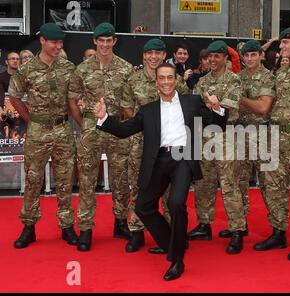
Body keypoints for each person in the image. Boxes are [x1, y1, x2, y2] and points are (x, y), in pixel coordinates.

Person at [93, 63, 225, 281]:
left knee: (175, 203)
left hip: (183, 159)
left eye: (170, 77)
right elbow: (125, 130)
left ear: (176, 80)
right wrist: (104, 118)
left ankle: (177, 260)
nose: (166, 82)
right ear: (156, 82)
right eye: (161, 78)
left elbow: (217, 124)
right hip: (158, 160)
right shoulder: (148, 110)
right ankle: (172, 242)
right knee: (143, 207)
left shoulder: (192, 102)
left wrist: (217, 108)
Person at [9, 23, 78, 249]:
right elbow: (15, 97)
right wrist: (31, 120)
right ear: (42, 41)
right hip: (37, 131)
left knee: (65, 179)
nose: (58, 46)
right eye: (54, 42)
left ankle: (67, 227)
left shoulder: (68, 68)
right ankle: (28, 228)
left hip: (62, 130)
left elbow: (73, 99)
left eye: (61, 43)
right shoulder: (26, 70)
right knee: (32, 180)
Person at [68, 22, 134, 252]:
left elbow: (129, 103)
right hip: (91, 127)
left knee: (120, 178)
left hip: (117, 126)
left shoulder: (126, 69)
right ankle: (85, 229)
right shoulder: (82, 69)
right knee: (86, 179)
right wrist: (85, 123)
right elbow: (73, 100)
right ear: (94, 41)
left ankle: (120, 222)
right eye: (101, 41)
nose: (105, 45)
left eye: (109, 40)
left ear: (115, 41)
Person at [122, 38, 190, 253]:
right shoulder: (132, 81)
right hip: (141, 144)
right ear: (143, 56)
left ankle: (172, 237)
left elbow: (185, 109)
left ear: (163, 56)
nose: (153, 56)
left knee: (171, 194)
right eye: (149, 53)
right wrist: (149, 128)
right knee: (139, 187)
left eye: (157, 53)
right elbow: (127, 110)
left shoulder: (175, 80)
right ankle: (137, 232)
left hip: (170, 148)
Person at [188, 40, 246, 254]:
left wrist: (214, 107)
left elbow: (227, 110)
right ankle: (204, 224)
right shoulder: (202, 82)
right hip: (205, 138)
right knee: (204, 183)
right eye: (209, 56)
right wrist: (212, 108)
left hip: (226, 137)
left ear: (225, 58)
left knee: (230, 185)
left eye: (217, 56)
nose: (212, 60)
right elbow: (196, 107)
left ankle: (237, 230)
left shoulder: (234, 81)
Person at [254, 26, 290, 252]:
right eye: (281, 43)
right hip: (275, 137)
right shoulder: (281, 73)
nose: (282, 47)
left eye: (286, 43)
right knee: (274, 188)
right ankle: (278, 232)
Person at [215, 40, 275, 239]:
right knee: (239, 182)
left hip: (264, 135)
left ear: (261, 55)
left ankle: (278, 230)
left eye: (253, 55)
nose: (249, 59)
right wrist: (250, 103)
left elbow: (263, 108)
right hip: (240, 134)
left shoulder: (268, 77)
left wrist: (239, 101)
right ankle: (240, 225)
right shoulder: (237, 78)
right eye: (246, 55)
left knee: (270, 184)